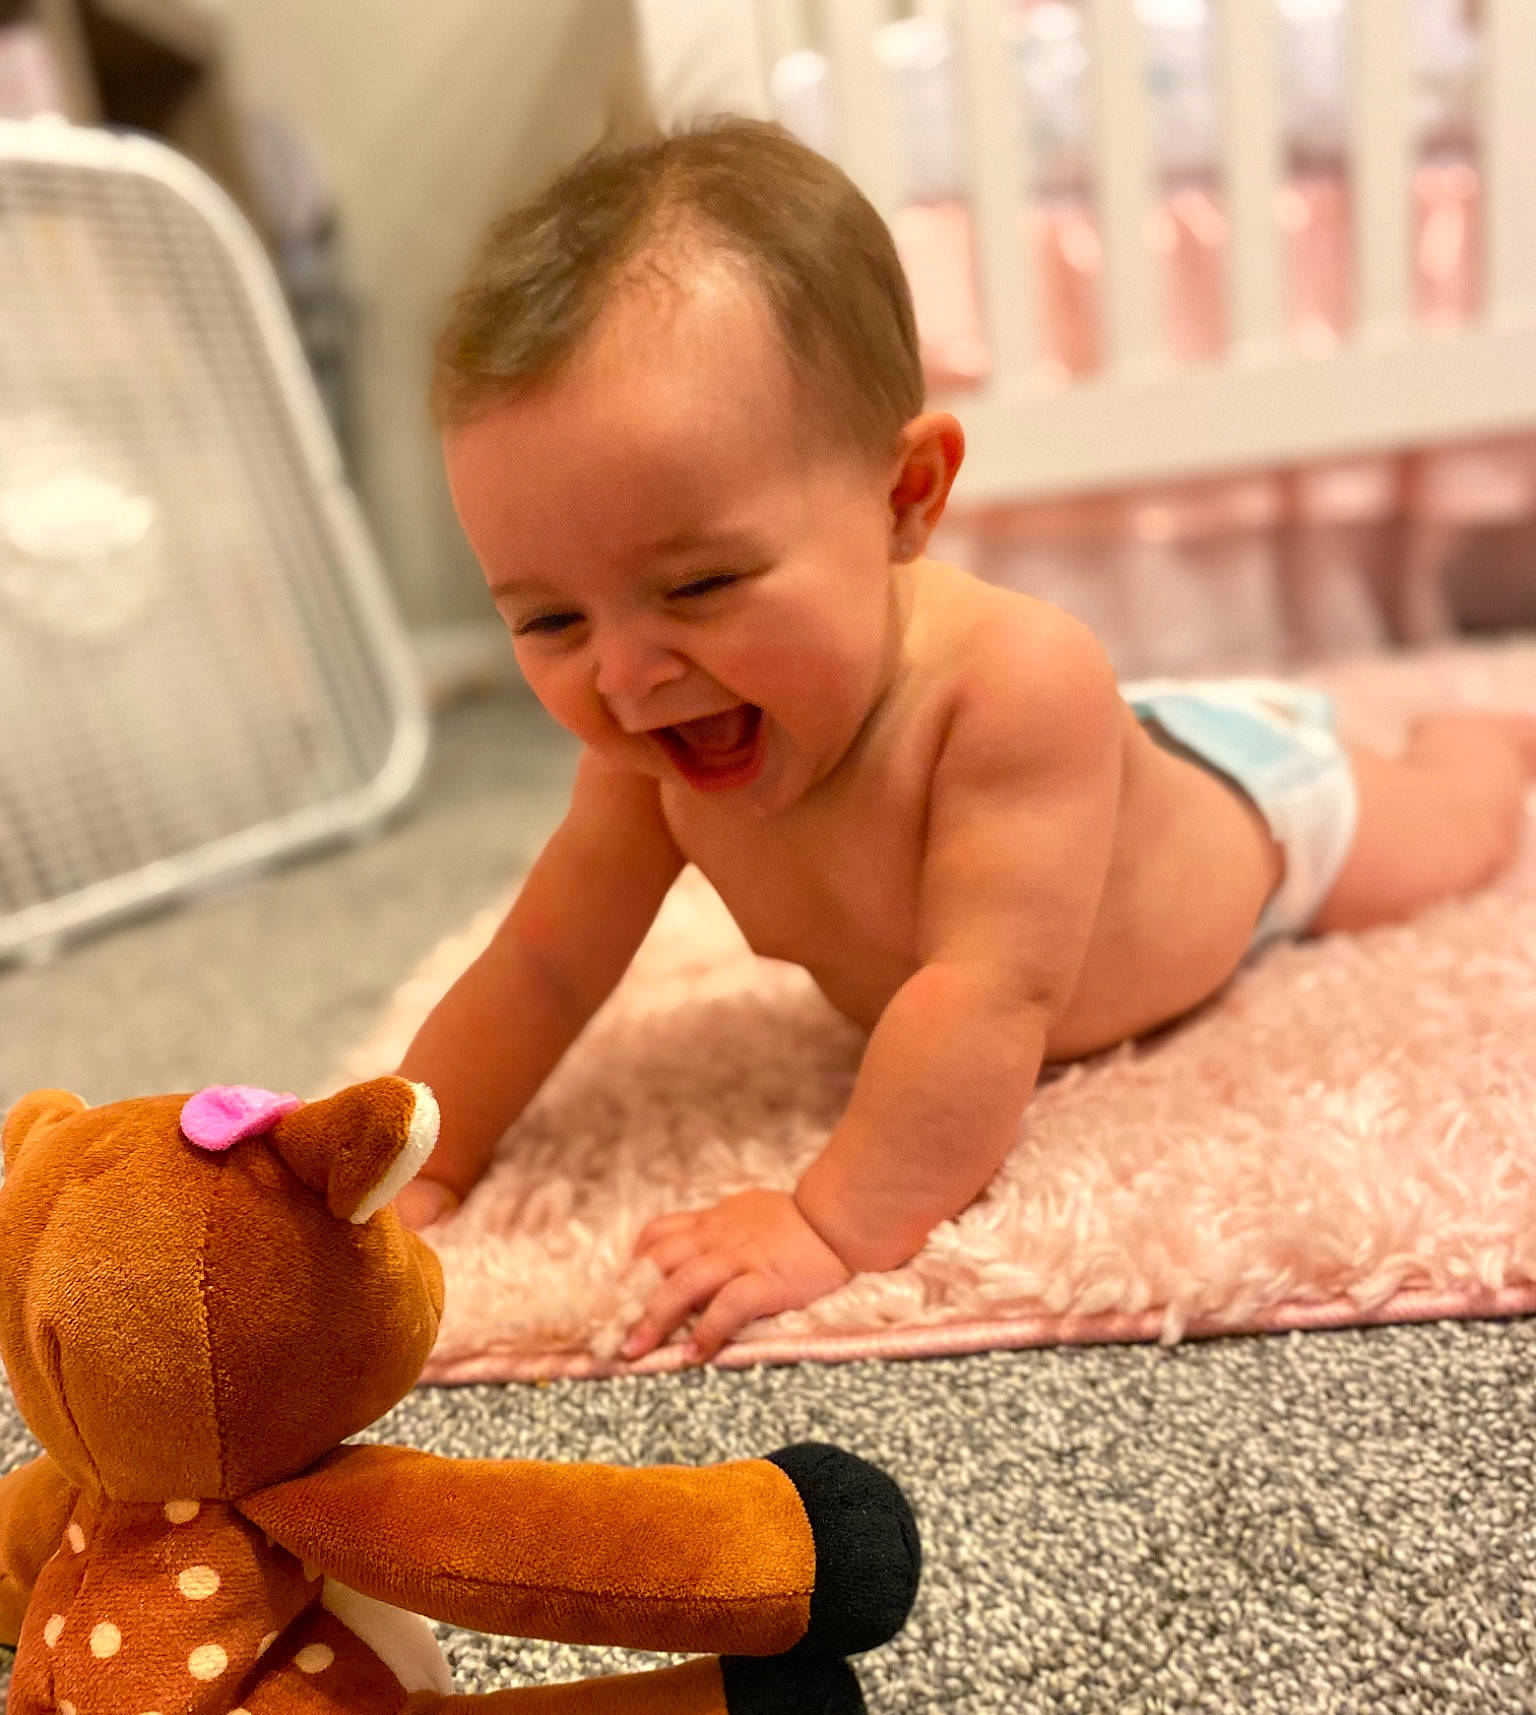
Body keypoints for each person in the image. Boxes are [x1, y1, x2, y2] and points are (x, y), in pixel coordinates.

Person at [394, 118, 1535, 1361]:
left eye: (701, 584)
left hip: (1259, 815)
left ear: (905, 500)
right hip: (1097, 778)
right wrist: (417, 1151)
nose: (625, 673)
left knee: (1456, 830)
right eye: (550, 617)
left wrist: (831, 1222)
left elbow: (985, 993)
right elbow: (543, 964)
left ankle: (1477, 734)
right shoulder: (639, 750)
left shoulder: (1012, 687)